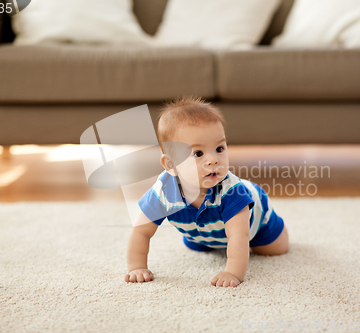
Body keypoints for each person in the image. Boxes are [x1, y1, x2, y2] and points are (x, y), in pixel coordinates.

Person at [124, 96, 289, 288]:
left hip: (255, 224)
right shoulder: (163, 191)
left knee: (276, 248)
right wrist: (136, 267)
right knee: (197, 245)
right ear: (171, 164)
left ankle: (277, 227)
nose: (213, 160)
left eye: (219, 148)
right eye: (198, 153)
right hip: (201, 230)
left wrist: (232, 272)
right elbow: (141, 232)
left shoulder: (233, 193)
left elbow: (239, 237)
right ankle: (205, 237)